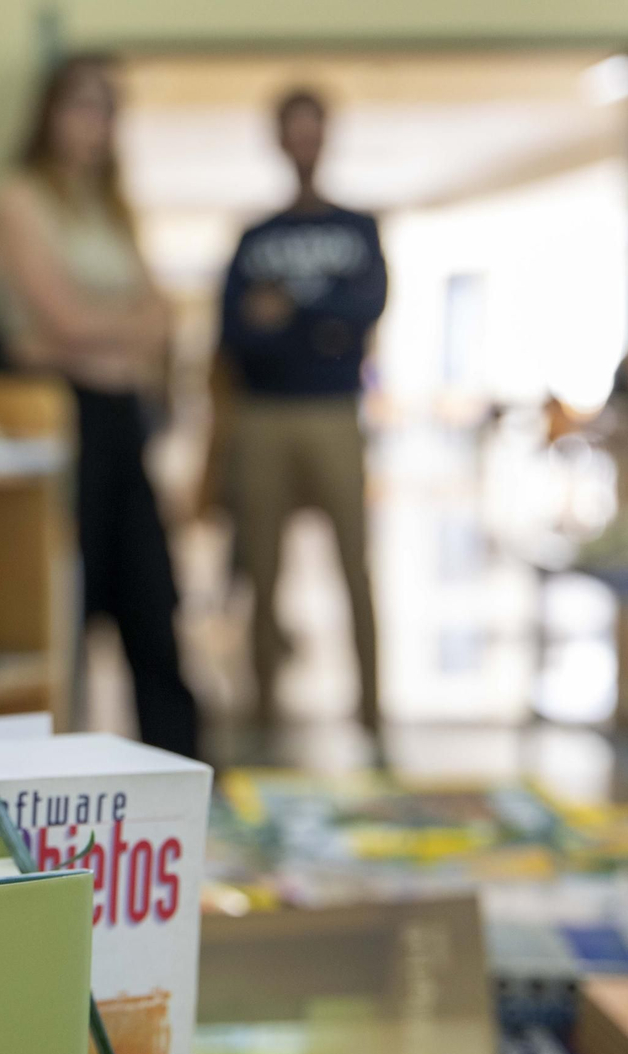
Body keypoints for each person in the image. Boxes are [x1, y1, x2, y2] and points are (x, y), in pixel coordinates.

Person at [0, 56, 200, 757]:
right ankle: (59, 779)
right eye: (81, 105)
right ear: (48, 112)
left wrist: (98, 333)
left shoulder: (112, 209)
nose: (95, 123)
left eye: (107, 108)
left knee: (152, 606)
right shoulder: (20, 199)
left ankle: (187, 780)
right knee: (64, 608)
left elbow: (159, 319)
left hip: (122, 418)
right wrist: (114, 331)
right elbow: (62, 323)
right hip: (61, 417)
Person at [209, 88, 388, 730]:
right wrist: (321, 321)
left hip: (335, 413)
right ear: (280, 140)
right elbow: (233, 331)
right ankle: (262, 713)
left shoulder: (357, 228)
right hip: (263, 417)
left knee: (355, 566)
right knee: (262, 568)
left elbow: (365, 310)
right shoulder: (256, 236)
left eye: (314, 129)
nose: (304, 142)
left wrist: (287, 312)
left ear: (326, 136)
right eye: (293, 130)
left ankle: (372, 712)